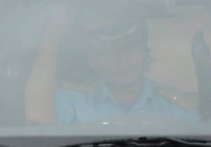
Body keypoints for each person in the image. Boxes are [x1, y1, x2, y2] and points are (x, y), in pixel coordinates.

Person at [25, 12, 192, 125]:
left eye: (130, 48)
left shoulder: (173, 108)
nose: (122, 60)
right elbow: (38, 120)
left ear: (145, 52)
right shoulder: (72, 101)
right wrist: (51, 38)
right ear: (92, 59)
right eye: (108, 52)